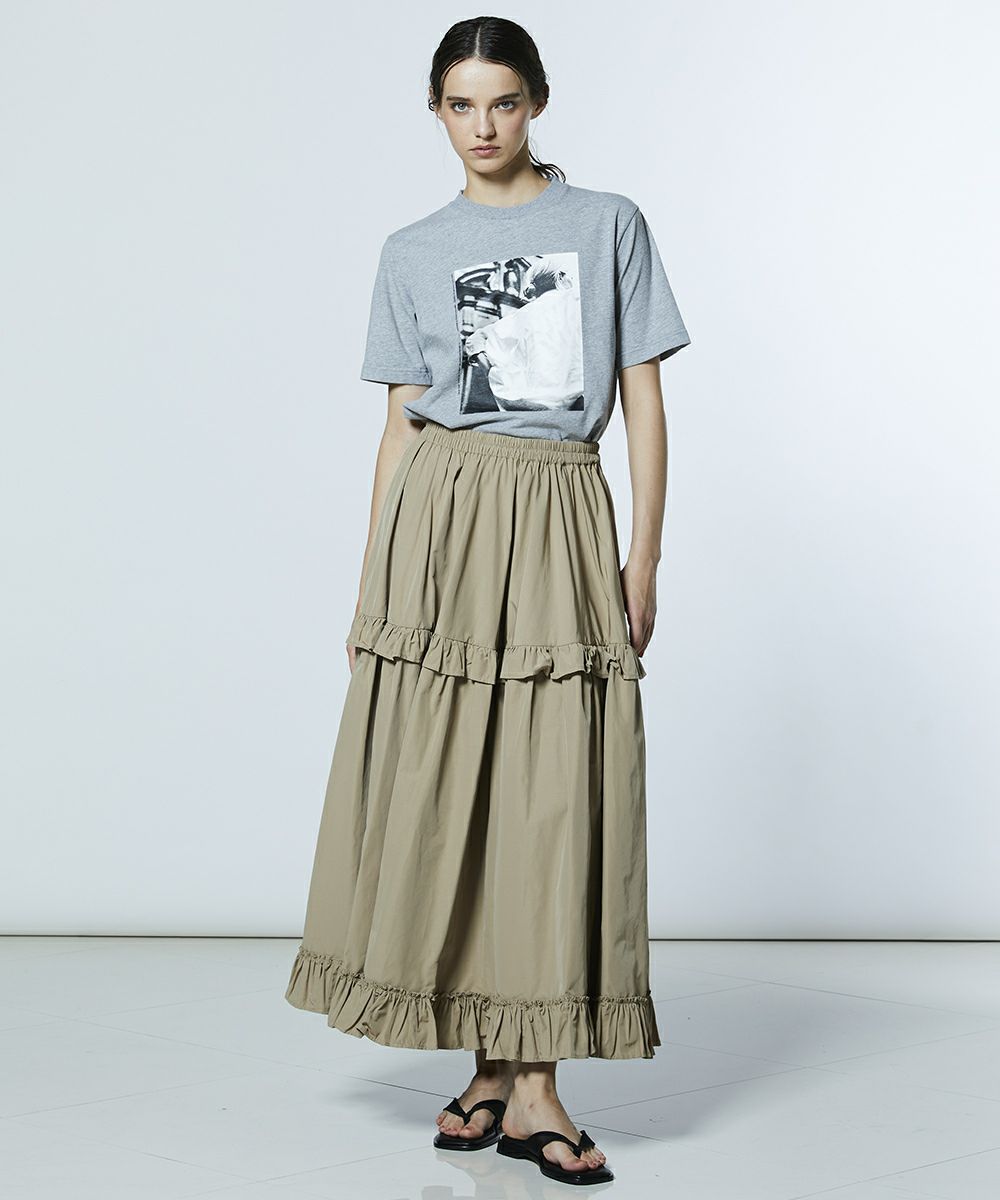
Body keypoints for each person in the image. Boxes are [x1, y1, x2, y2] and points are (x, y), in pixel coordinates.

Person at [284, 15, 691, 1188]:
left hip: (558, 511)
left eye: (502, 102)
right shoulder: (412, 247)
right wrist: (374, 580)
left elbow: (643, 397)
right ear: (436, 111)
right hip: (442, 519)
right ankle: (490, 1071)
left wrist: (643, 558)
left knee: (551, 788)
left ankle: (538, 1080)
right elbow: (398, 424)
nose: (482, 126)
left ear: (536, 103)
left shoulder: (607, 223)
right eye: (460, 105)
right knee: (451, 786)